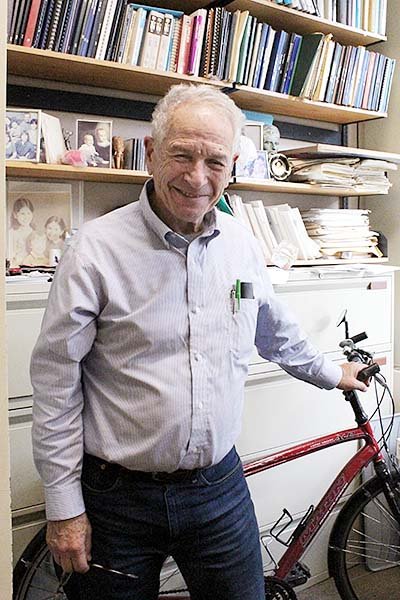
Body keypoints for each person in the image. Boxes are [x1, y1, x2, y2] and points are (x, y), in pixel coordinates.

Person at [31, 84, 367, 600]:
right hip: (115, 500)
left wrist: (329, 371)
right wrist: (63, 507)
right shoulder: (94, 251)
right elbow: (56, 385)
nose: (197, 177)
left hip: (218, 492)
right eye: (181, 155)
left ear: (232, 165)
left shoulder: (241, 247)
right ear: (150, 153)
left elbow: (269, 323)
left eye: (214, 160)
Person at [9, 196, 35, 266]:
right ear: (15, 215)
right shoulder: (12, 233)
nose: (26, 217)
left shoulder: (34, 232)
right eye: (22, 214)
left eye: (28, 213)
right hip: (16, 264)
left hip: (31, 265)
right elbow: (10, 254)